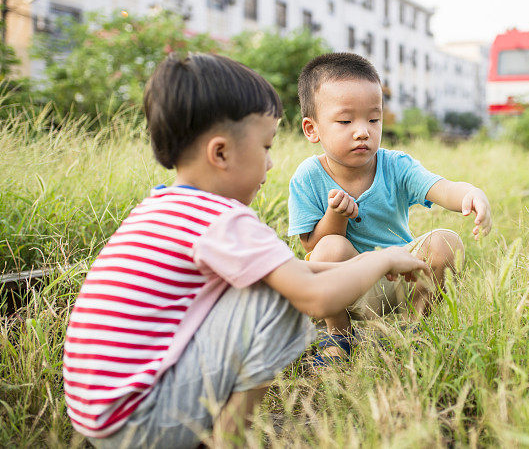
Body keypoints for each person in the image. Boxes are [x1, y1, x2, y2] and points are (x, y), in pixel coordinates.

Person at [62, 53, 429, 448]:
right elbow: (314, 297)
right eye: (266, 147)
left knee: (274, 284)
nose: (271, 164)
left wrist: (370, 264)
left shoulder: (158, 207)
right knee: (279, 303)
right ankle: (226, 441)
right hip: (143, 422)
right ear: (220, 153)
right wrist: (381, 258)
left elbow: (297, 272)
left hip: (97, 415)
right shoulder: (223, 220)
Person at [288, 52, 492, 364]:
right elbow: (312, 248)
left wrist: (470, 193)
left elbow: (443, 188)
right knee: (329, 246)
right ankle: (338, 336)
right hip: (344, 287)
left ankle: (413, 331)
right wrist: (337, 215)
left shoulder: (395, 165)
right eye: (345, 121)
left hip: (399, 278)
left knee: (445, 241)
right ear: (312, 129)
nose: (363, 131)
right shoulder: (307, 177)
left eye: (373, 119)